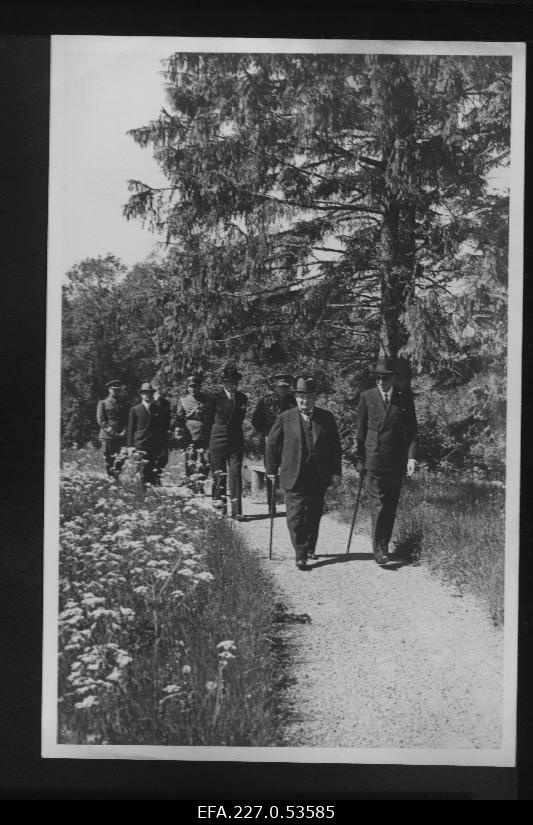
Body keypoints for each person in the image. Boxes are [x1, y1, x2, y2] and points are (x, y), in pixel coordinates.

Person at [266, 376, 342, 570]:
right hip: (294, 474)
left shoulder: (326, 418)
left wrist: (336, 472)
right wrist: (271, 470)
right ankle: (300, 553)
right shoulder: (285, 418)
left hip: (318, 474)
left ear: (314, 397)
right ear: (296, 397)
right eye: (300, 396)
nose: (303, 401)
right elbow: (272, 445)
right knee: (295, 515)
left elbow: (335, 447)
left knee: (314, 514)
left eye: (307, 396)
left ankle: (309, 547)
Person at [356, 356, 418, 566]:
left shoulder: (404, 399)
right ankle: (379, 550)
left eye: (385, 378)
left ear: (393, 378)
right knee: (379, 506)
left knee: (390, 506)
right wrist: (360, 460)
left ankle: (384, 543)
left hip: (396, 462)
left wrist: (411, 458)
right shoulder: (367, 397)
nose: (381, 382)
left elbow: (412, 433)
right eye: (378, 378)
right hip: (373, 461)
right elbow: (360, 433)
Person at [206, 364, 248, 518]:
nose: (233, 386)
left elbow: (240, 419)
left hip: (236, 441)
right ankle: (219, 507)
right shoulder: (214, 398)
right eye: (229, 383)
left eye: (235, 383)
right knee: (219, 474)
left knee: (235, 473)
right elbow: (207, 420)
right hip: (217, 440)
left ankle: (237, 511)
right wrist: (206, 445)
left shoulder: (243, 398)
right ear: (224, 383)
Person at [251, 374, 296, 514]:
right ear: (275, 386)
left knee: (290, 472)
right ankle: (271, 505)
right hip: (270, 441)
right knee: (271, 473)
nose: (283, 390)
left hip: (288, 441)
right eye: (280, 387)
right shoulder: (265, 401)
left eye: (285, 387)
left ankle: (290, 503)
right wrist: (268, 433)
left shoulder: (293, 402)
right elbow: (255, 421)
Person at [127, 381, 166, 486]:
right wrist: (130, 446)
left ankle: (148, 495)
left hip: (152, 444)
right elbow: (130, 428)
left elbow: (160, 428)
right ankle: (139, 493)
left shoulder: (157, 409)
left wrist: (160, 445)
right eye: (145, 393)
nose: (147, 395)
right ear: (141, 394)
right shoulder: (135, 409)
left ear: (152, 394)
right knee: (140, 470)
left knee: (150, 470)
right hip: (139, 443)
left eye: (149, 393)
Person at [174, 374, 210, 488]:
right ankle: (190, 482)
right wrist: (178, 430)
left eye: (196, 386)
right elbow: (179, 417)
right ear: (188, 388)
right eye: (191, 386)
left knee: (205, 458)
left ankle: (200, 483)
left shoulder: (207, 399)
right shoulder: (183, 400)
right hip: (189, 432)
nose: (194, 389)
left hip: (205, 431)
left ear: (200, 387)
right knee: (190, 457)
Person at [96, 379, 128, 479]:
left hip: (121, 437)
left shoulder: (123, 403)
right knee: (109, 459)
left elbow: (127, 419)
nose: (116, 392)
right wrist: (112, 432)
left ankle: (116, 476)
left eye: (118, 390)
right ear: (109, 390)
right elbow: (101, 420)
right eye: (113, 390)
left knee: (122, 457)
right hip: (107, 436)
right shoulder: (103, 403)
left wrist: (124, 431)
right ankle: (112, 479)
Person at [152, 383, 172, 484]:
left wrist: (169, 430)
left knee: (164, 457)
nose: (158, 393)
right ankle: (153, 478)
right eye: (156, 391)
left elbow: (168, 418)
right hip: (151, 434)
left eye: (159, 391)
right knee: (153, 457)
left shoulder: (165, 403)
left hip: (163, 433)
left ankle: (157, 475)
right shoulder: (150, 403)